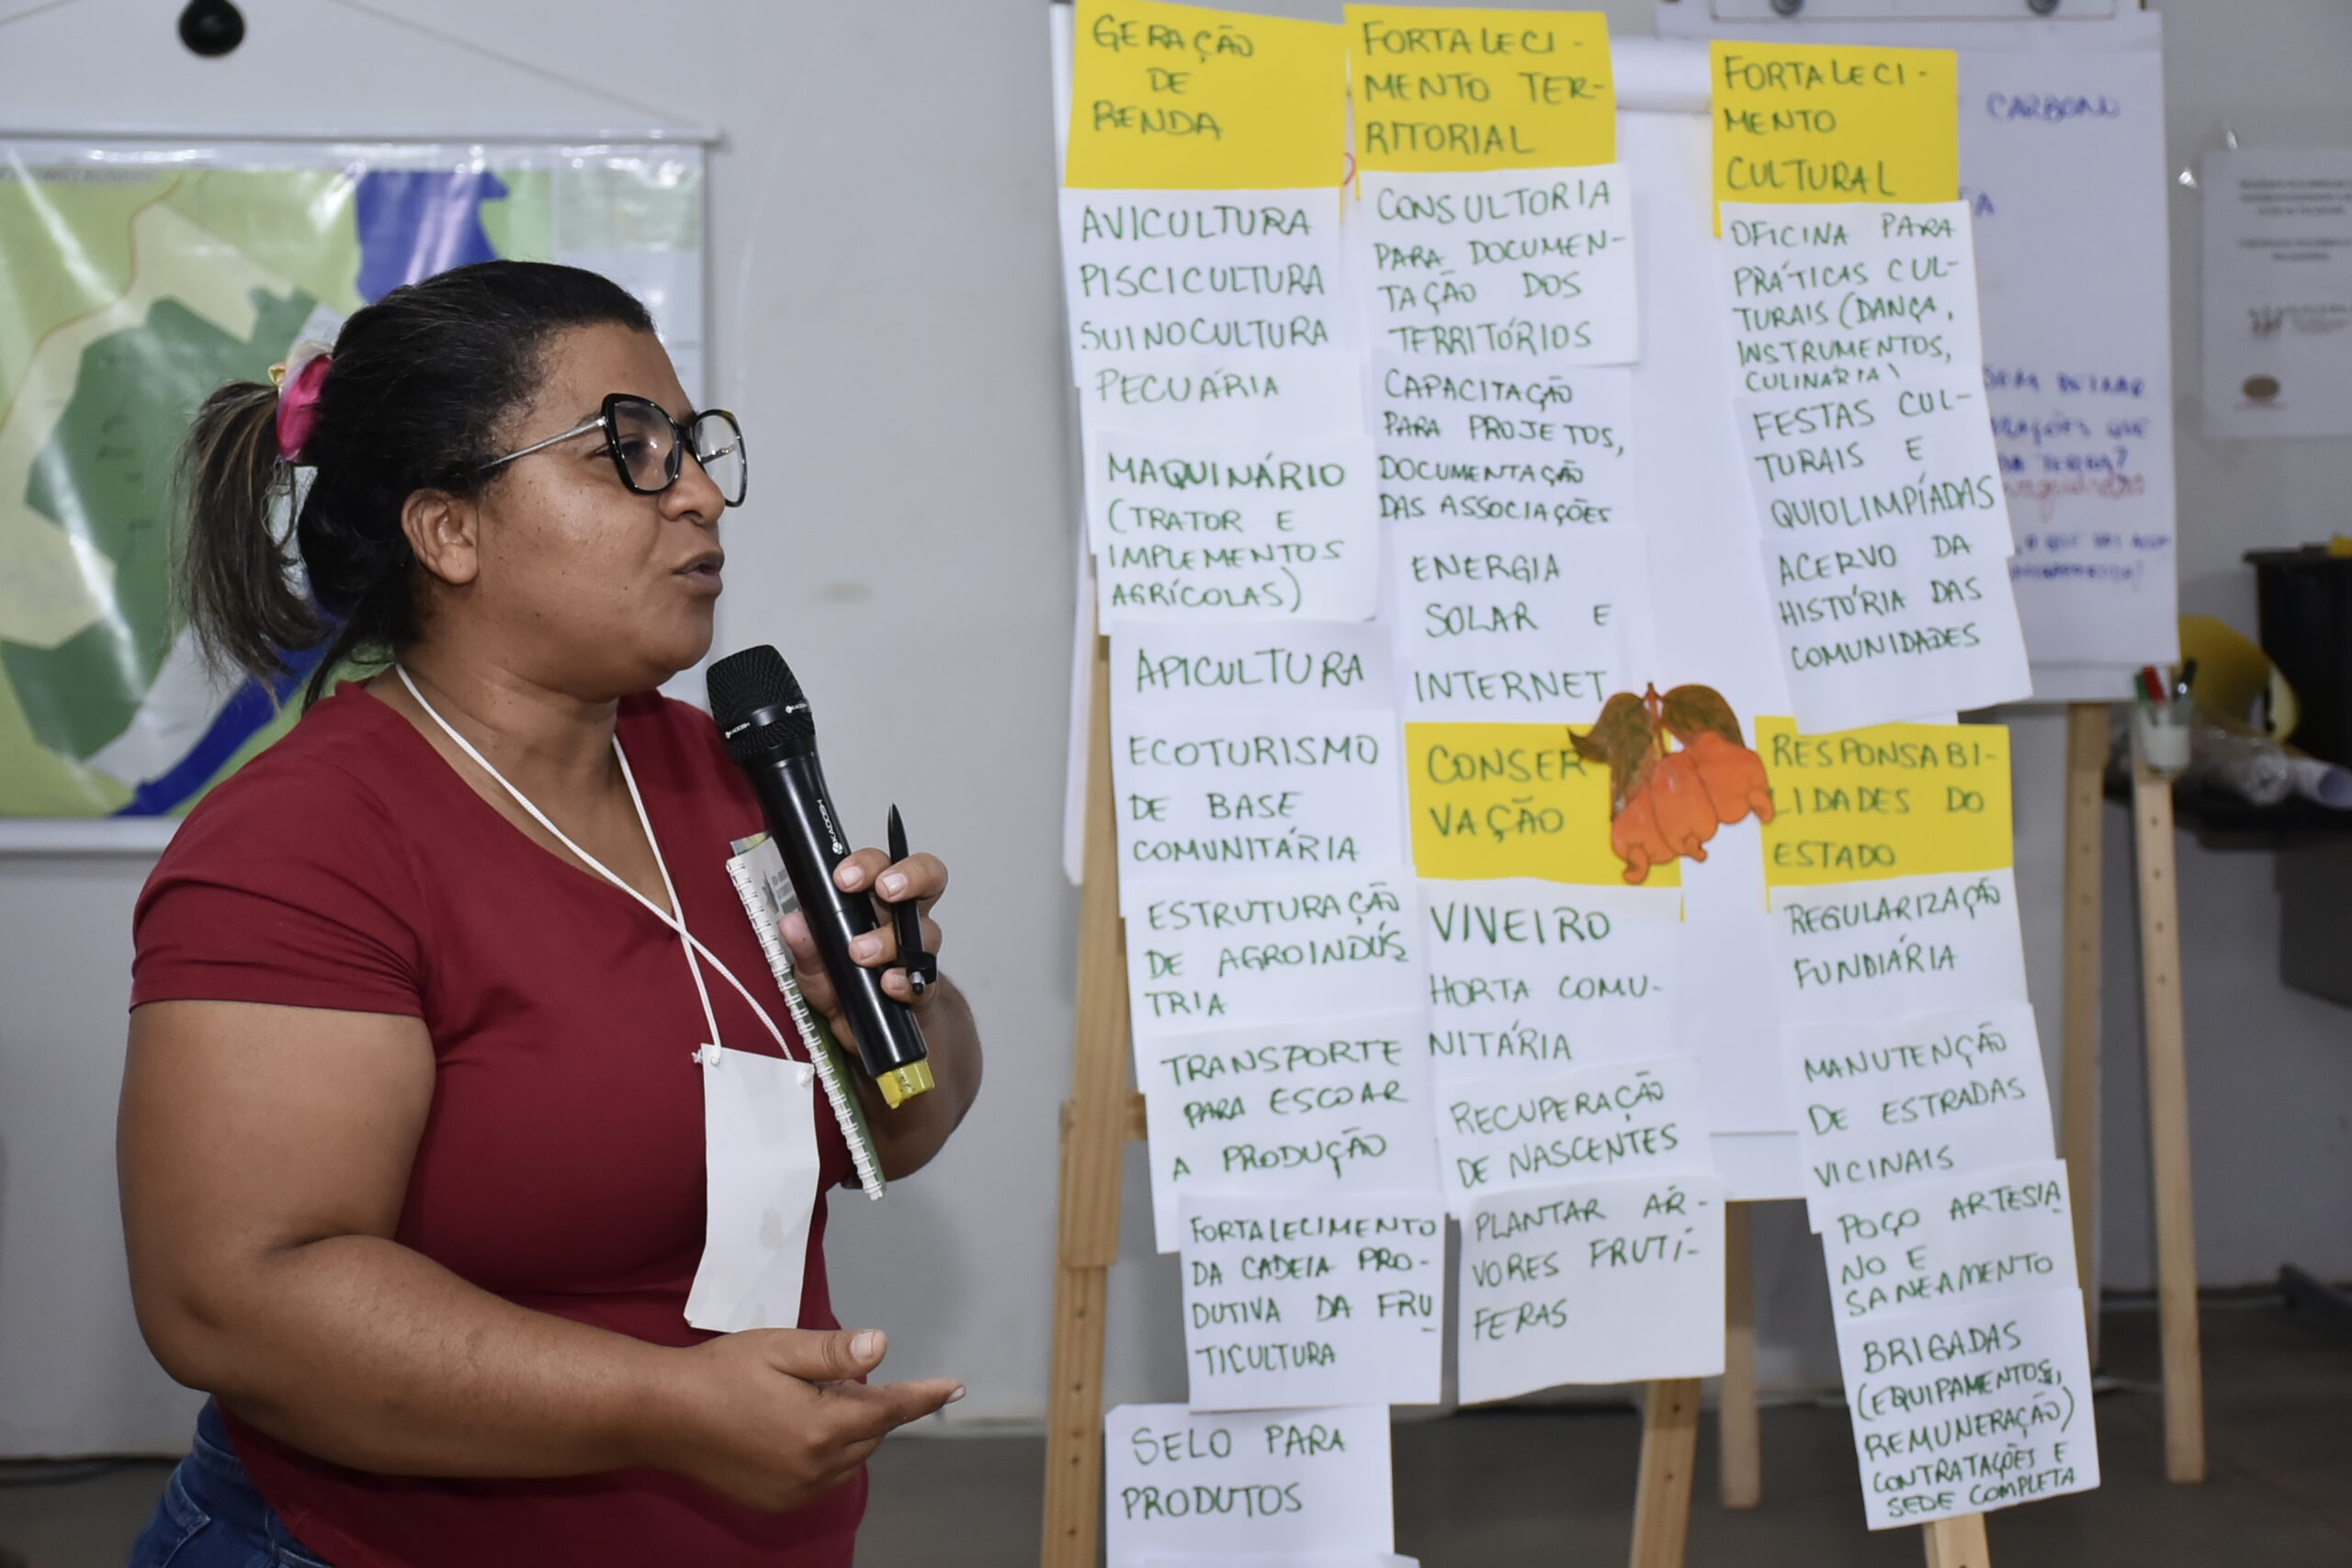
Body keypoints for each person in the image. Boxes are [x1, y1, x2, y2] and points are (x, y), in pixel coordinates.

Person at [118, 260, 981, 1568]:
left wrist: (893, 1003)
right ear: (448, 532)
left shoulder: (714, 769)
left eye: (692, 445)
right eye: (626, 451)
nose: (697, 492)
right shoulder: (301, 846)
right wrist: (665, 1407)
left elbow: (901, 1128)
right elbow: (235, 1299)